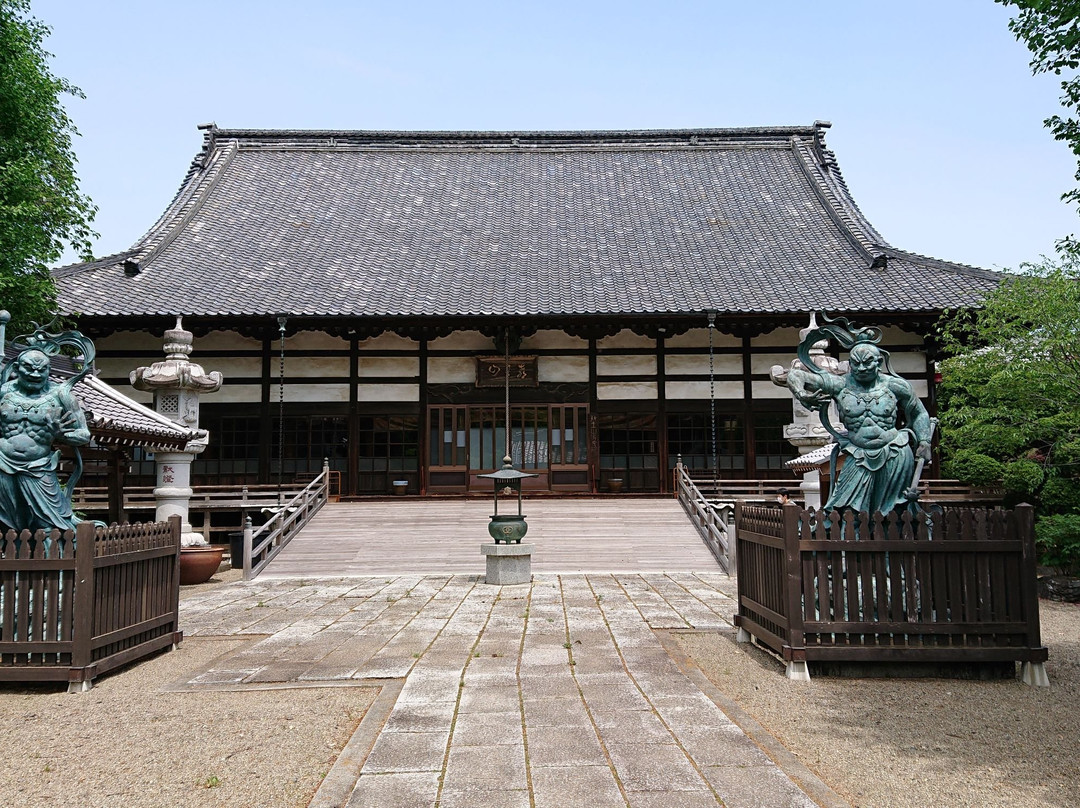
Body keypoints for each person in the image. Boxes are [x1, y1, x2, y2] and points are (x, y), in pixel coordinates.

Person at [786, 341, 932, 517]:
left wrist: (924, 441)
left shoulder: (895, 386)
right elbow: (795, 375)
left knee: (895, 510)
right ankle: (849, 541)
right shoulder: (840, 384)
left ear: (878, 362)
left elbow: (919, 413)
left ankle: (894, 540)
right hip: (857, 453)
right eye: (856, 363)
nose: (861, 368)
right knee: (847, 509)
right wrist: (802, 394)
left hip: (895, 450)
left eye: (867, 362)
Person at [0, 349, 90, 532]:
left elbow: (84, 435)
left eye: (42, 370)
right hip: (2, 461)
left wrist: (62, 435)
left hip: (38, 466)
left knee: (49, 523)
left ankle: (54, 557)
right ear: (17, 368)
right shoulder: (3, 392)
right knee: (6, 520)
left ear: (49, 370)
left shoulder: (61, 395)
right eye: (29, 369)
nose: (35, 374)